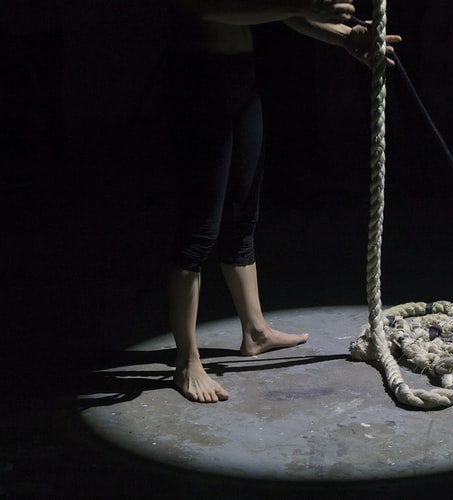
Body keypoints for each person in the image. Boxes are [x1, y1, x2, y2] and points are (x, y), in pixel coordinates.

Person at [166, 0, 401, 403]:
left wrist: (345, 37)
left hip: (240, 73)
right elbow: (206, 9)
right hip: (200, 76)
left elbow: (281, 12)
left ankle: (255, 331)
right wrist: (301, 3)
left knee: (243, 212)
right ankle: (187, 362)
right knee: (200, 228)